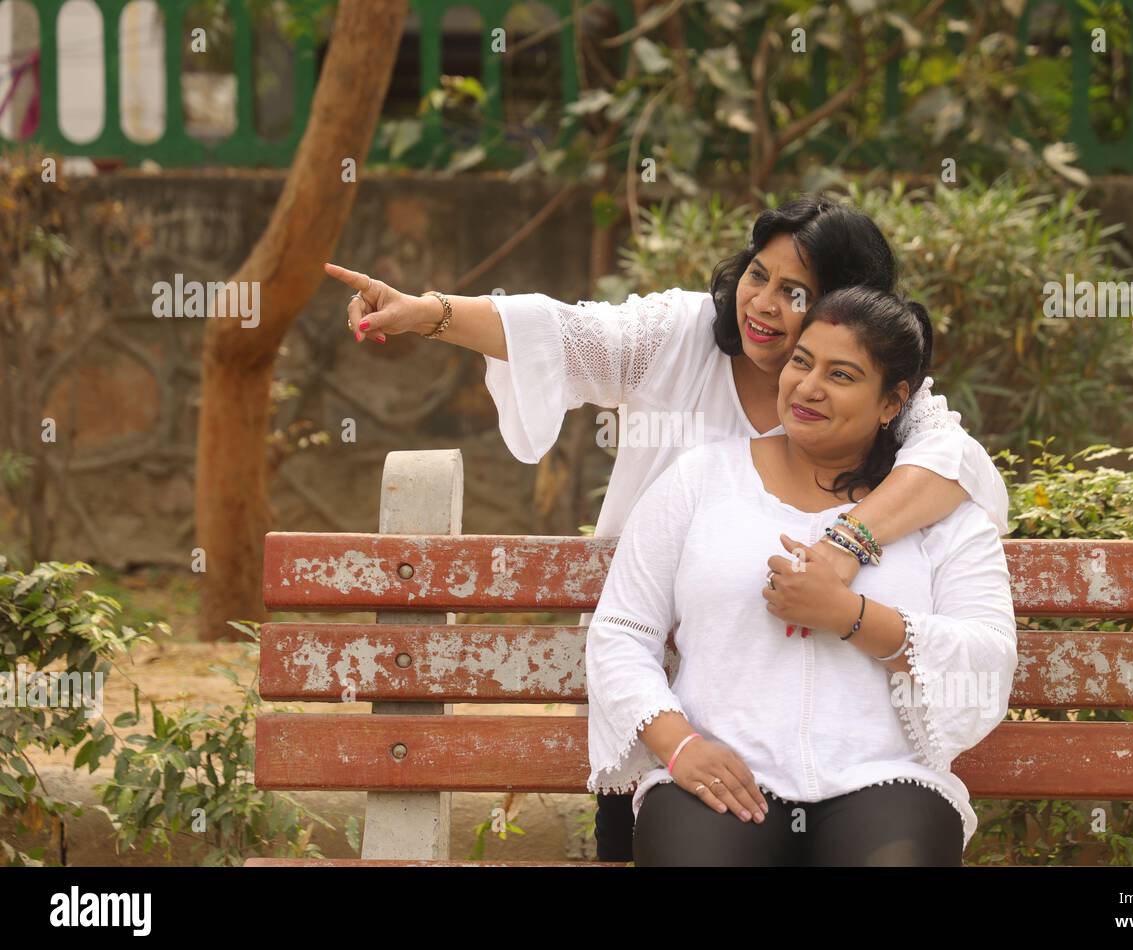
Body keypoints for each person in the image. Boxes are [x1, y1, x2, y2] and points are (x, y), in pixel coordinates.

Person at [324, 194, 1010, 861]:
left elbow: (954, 467)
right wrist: (428, 314)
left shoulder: (895, 402)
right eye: (759, 275)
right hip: (670, 696)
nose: (765, 304)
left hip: (841, 730)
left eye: (797, 293)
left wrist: (843, 553)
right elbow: (564, 330)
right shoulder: (682, 341)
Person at [585, 285, 1018, 865]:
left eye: (841, 375)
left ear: (893, 402)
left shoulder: (942, 514)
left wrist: (851, 617)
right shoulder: (701, 480)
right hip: (720, 768)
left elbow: (988, 657)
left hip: (883, 778)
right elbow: (620, 630)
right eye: (801, 362)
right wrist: (679, 744)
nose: (808, 388)